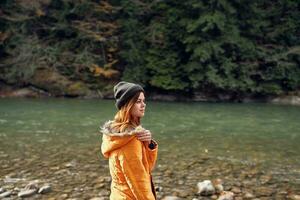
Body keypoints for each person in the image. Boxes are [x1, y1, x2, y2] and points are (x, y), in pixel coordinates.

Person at [100, 81, 158, 200]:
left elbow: (146, 168)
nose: (143, 105)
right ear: (128, 105)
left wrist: (149, 144)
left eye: (143, 101)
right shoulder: (130, 140)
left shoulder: (117, 133)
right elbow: (139, 182)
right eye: (138, 101)